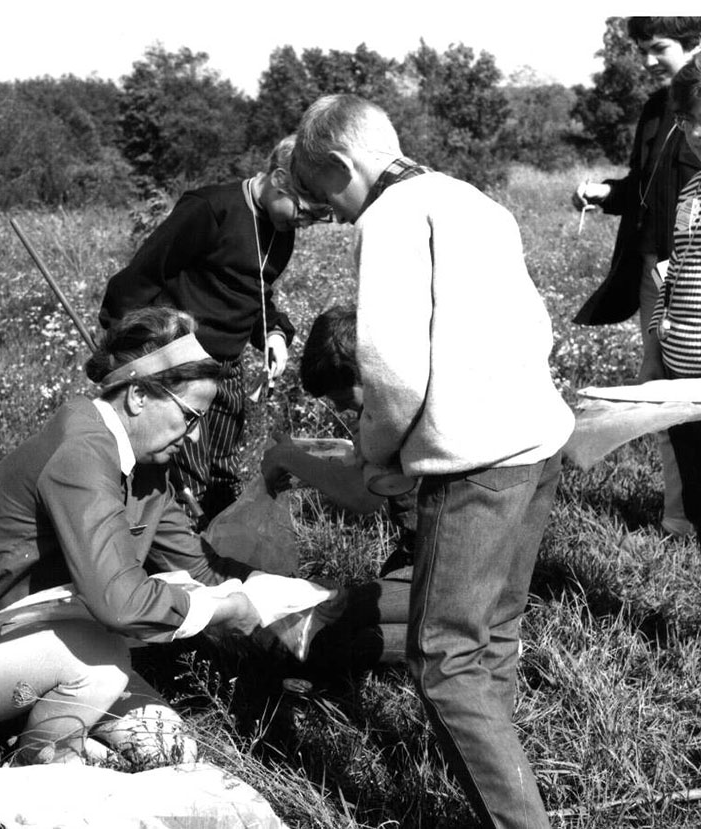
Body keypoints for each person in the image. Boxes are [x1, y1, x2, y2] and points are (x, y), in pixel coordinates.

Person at [292, 94, 575, 829]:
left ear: (338, 164)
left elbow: (390, 371)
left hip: (473, 462)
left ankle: (519, 820)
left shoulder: (389, 218)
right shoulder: (473, 200)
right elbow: (534, 320)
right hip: (535, 442)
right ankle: (503, 765)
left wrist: (378, 449)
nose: (334, 213)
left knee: (443, 661)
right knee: (493, 634)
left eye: (326, 195)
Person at [0, 306, 263, 766]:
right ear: (137, 396)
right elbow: (119, 604)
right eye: (191, 416)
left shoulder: (148, 465)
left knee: (170, 747)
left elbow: (197, 569)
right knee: (105, 663)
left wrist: (275, 596)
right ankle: (38, 760)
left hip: (38, 635)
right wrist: (222, 609)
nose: (194, 438)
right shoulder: (82, 451)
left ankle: (23, 718)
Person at [99, 135, 331, 526]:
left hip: (228, 367)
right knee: (182, 471)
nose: (303, 223)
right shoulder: (209, 210)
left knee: (223, 470)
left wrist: (273, 334)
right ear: (278, 178)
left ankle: (218, 550)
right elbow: (138, 280)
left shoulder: (281, 231)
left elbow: (254, 292)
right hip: (181, 367)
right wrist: (124, 354)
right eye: (304, 211)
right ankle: (176, 555)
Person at [572, 17, 701, 539]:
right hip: (669, 277)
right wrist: (608, 193)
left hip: (685, 273)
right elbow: (648, 191)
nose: (647, 61)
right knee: (667, 400)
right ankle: (681, 516)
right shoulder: (659, 107)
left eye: (658, 48)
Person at [261, 305, 415, 670]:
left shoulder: (396, 410)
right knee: (316, 626)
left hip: (444, 569)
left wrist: (290, 458)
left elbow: (362, 498)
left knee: (316, 636)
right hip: (418, 559)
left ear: (366, 371)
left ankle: (475, 640)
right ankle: (468, 633)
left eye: (344, 400)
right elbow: (370, 482)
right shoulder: (387, 402)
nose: (344, 411)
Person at [645, 53, 701, 544]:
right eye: (686, 121)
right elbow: (677, 267)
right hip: (682, 369)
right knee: (694, 478)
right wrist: (659, 324)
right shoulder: (692, 188)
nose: (694, 133)